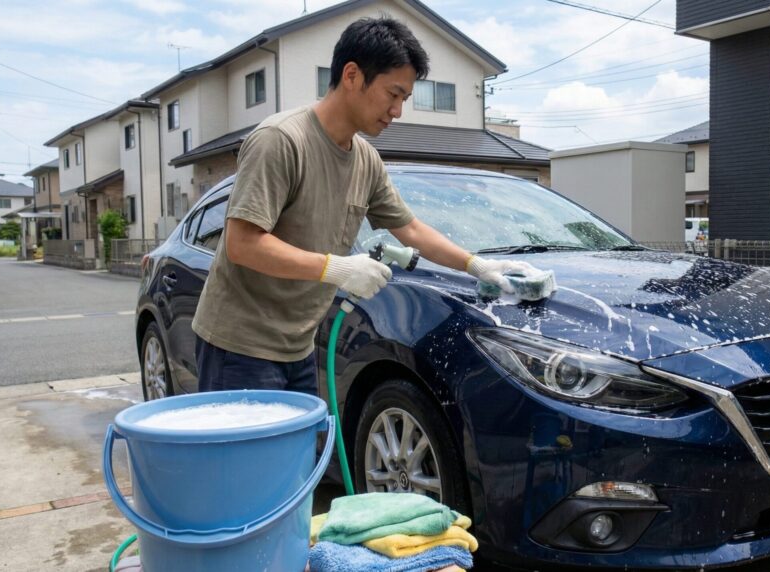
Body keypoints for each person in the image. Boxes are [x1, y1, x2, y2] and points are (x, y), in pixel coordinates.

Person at [191, 16, 534, 394]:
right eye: (393, 94)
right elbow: (243, 244)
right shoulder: (281, 140)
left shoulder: (366, 160)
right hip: (240, 347)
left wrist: (477, 265)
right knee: (254, 455)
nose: (398, 110)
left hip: (298, 347)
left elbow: (411, 229)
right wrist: (335, 268)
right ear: (352, 75)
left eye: (404, 98)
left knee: (302, 454)